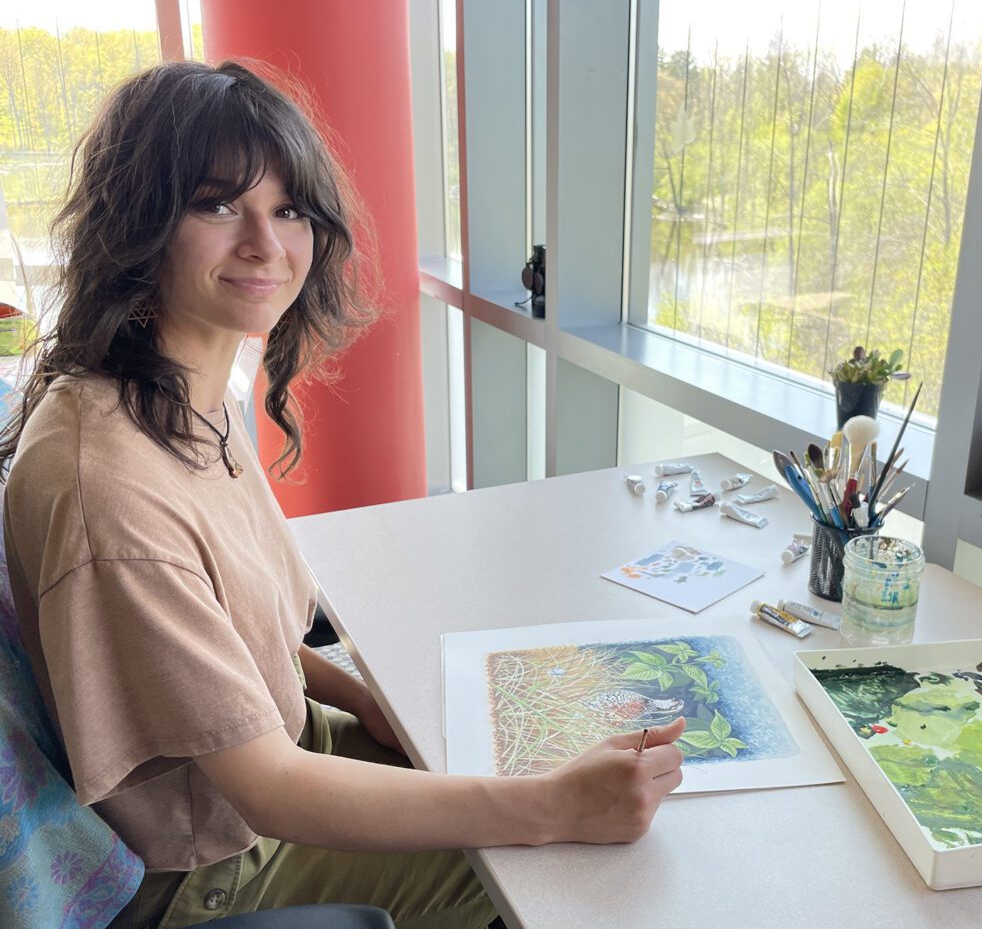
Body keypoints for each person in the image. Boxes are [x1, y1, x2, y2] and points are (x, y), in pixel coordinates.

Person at [0, 60, 685, 929]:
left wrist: (363, 697)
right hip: (215, 862)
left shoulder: (179, 389)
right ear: (137, 223)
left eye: (289, 209)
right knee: (566, 888)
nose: (267, 244)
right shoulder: (110, 486)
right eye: (217, 204)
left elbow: (227, 650)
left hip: (272, 765)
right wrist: (553, 809)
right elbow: (272, 792)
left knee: (543, 781)